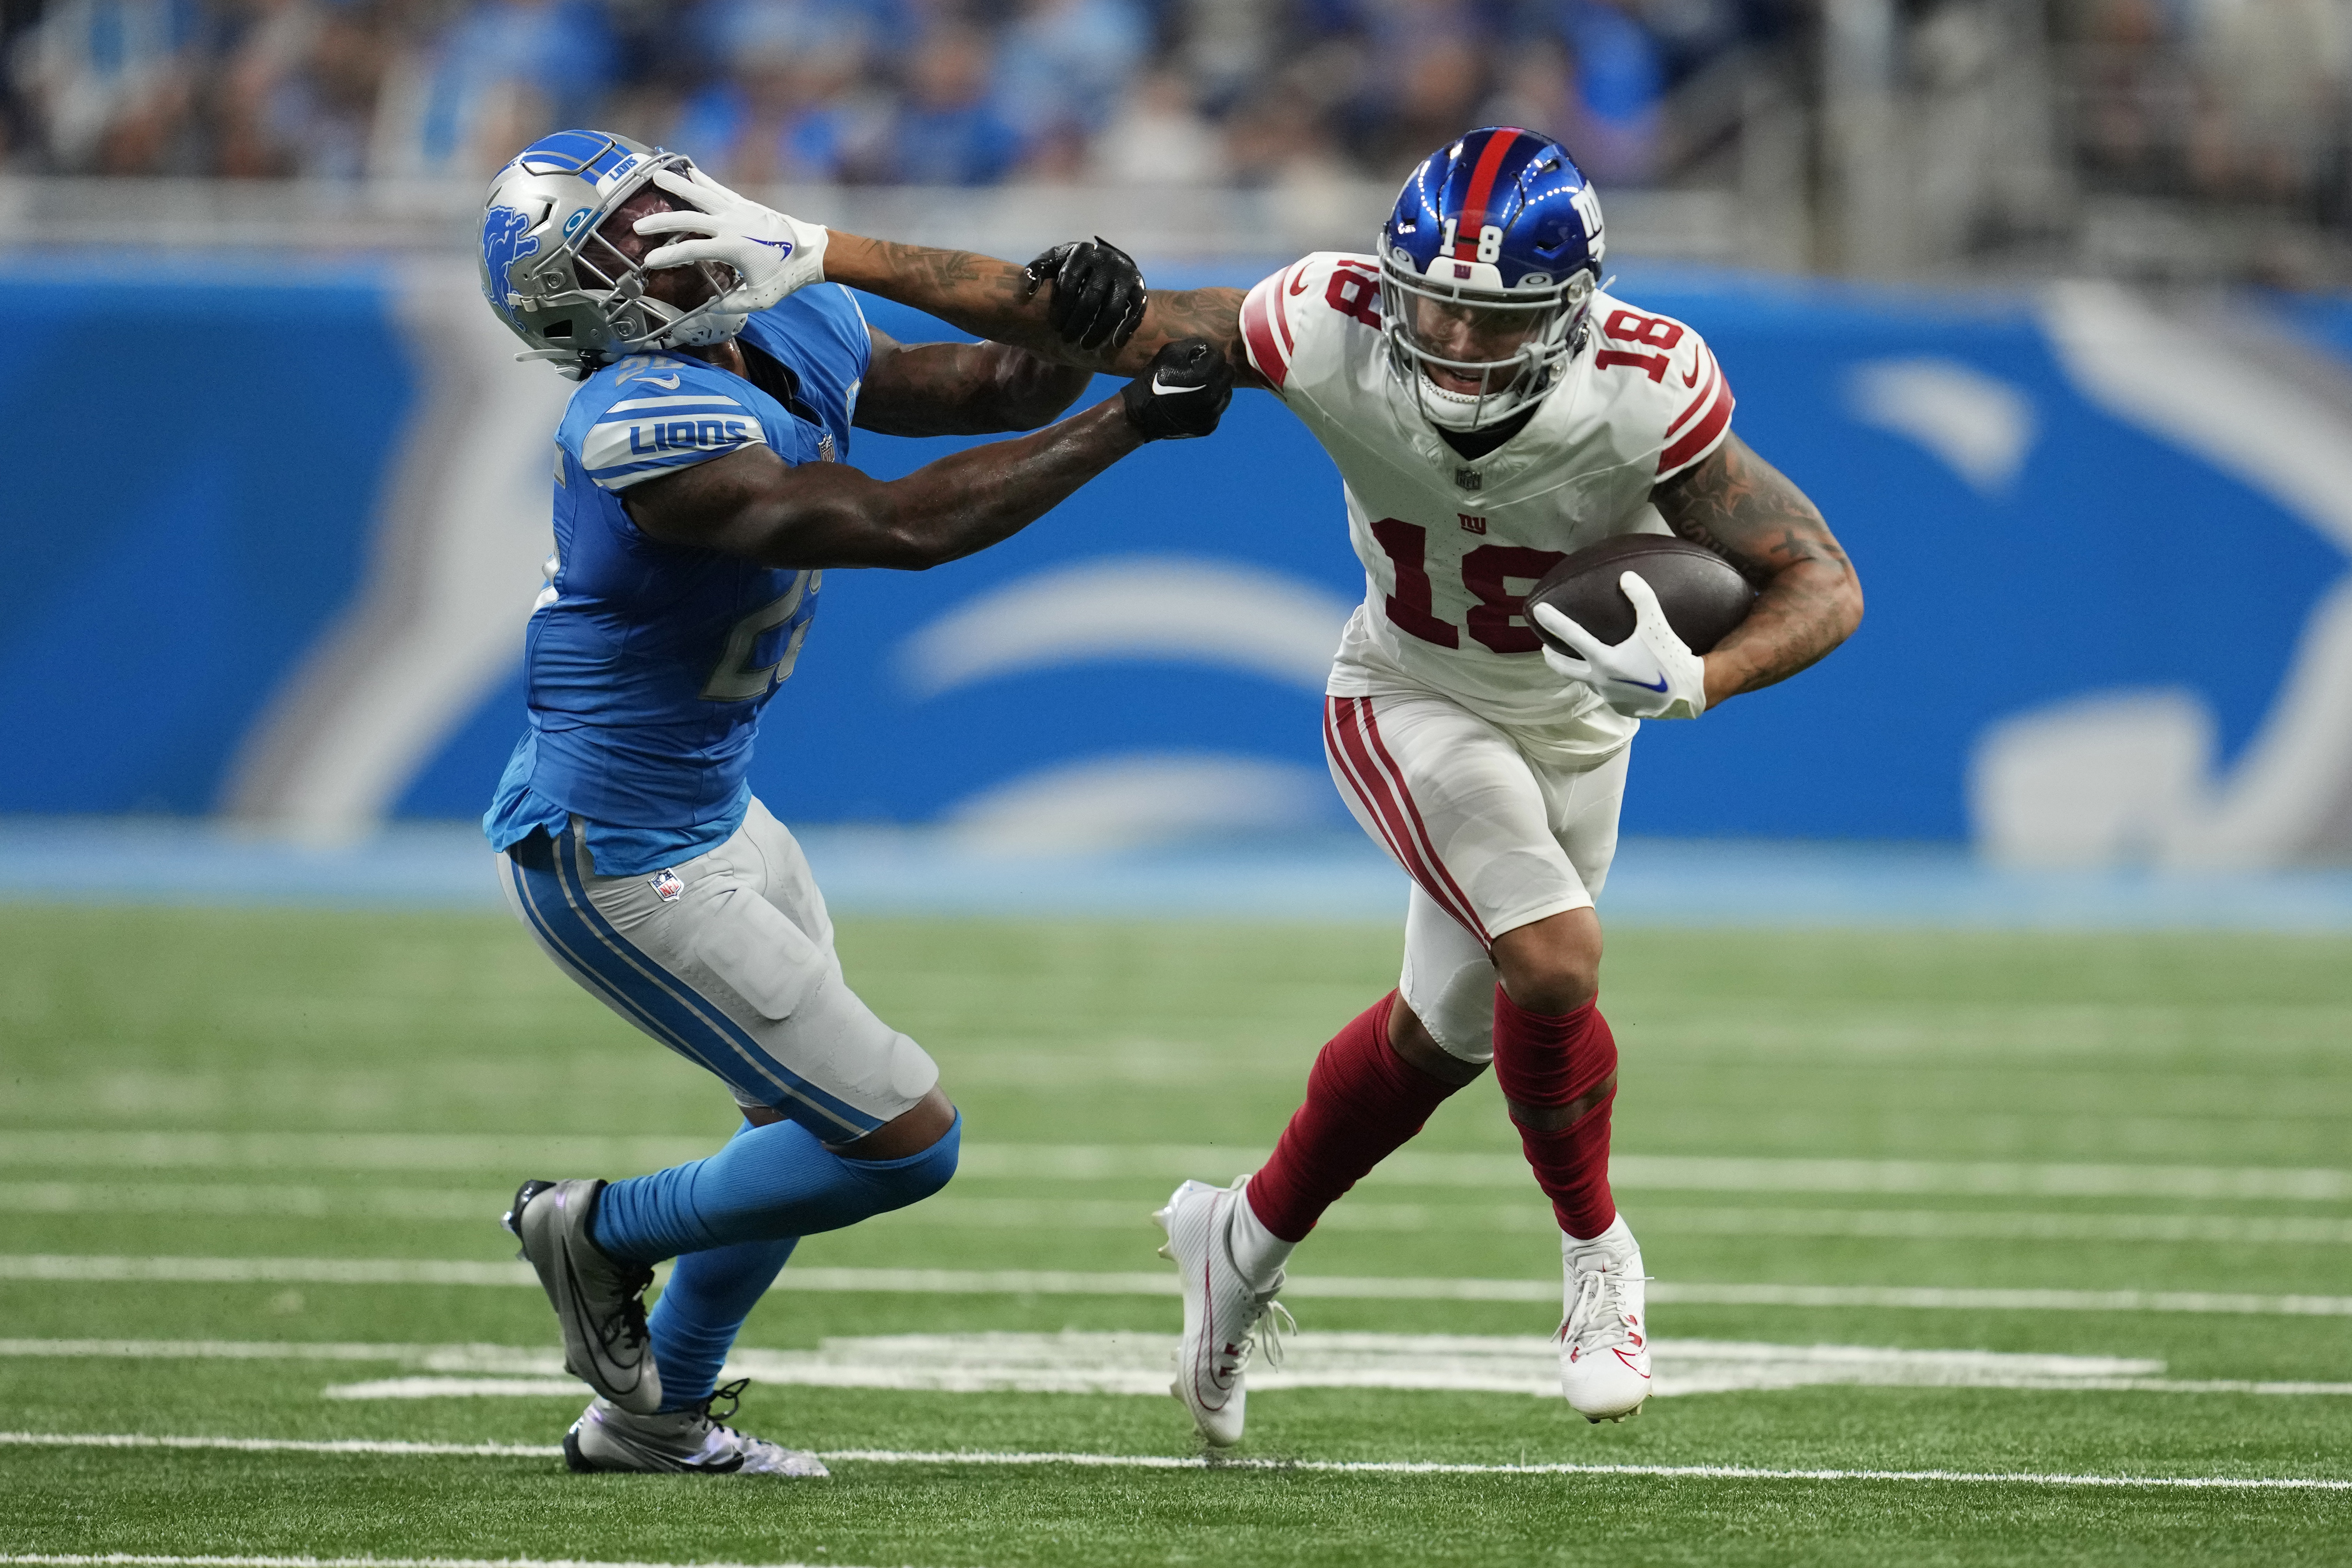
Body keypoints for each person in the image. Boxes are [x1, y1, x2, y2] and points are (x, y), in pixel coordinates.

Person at [708, 124, 1862, 1442]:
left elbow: (1819, 578)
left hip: (1588, 725)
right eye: (1434, 307)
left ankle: (1238, 1242)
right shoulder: (1328, 318)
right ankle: (1598, 1254)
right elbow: (1093, 322)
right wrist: (808, 249)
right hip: (1412, 692)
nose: (1455, 345)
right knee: (1552, 962)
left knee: (1447, 1034)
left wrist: (1698, 683)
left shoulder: (1647, 383)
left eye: (1494, 323)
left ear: (1569, 313)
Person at [473, 128, 1231, 1476]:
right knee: (895, 1142)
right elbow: (897, 527)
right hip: (615, 850)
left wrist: (1072, 323)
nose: (669, 225)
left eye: (658, 194)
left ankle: (653, 1419)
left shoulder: (783, 319)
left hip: (714, 814)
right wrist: (1120, 417)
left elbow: (984, 387)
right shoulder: (637, 425)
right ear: (575, 299)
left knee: (802, 1125)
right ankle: (594, 1233)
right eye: (626, 231)